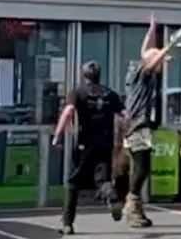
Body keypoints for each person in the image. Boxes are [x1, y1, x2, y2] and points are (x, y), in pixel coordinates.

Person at [52, 60, 125, 235]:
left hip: (86, 144)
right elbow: (125, 116)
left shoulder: (78, 93)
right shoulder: (110, 94)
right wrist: (121, 140)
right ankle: (112, 196)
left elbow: (68, 112)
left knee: (73, 182)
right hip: (106, 144)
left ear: (84, 76)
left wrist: (57, 135)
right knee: (102, 180)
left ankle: (67, 223)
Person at [122, 13, 173, 228]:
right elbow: (151, 59)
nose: (163, 66)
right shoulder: (142, 73)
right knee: (142, 168)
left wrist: (152, 29)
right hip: (137, 126)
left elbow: (146, 52)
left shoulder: (140, 69)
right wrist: (170, 45)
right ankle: (131, 203)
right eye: (162, 63)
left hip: (136, 125)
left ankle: (134, 204)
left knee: (139, 167)